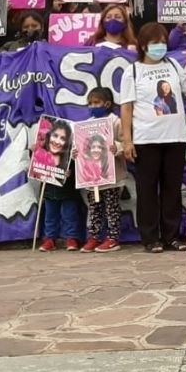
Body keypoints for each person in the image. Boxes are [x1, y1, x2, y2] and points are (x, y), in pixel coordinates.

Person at [120, 23, 186, 253]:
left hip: (175, 137)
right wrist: (127, 141)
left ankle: (171, 236)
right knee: (147, 189)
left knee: (172, 189)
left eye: (163, 42)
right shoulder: (133, 71)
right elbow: (127, 108)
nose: (160, 47)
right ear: (142, 45)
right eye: (154, 43)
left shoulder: (173, 65)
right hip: (146, 139)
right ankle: (150, 238)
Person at [76, 87, 126, 252]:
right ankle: (94, 237)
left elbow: (126, 144)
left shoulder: (116, 122)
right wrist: (76, 153)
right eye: (90, 103)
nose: (92, 106)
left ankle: (113, 238)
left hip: (112, 178)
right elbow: (82, 147)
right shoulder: (87, 126)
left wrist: (116, 148)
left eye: (96, 102)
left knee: (112, 208)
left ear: (107, 104)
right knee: (94, 209)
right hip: (92, 179)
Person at [36, 119, 85, 252]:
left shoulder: (71, 154)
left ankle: (72, 238)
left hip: (68, 189)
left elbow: (81, 168)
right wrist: (33, 153)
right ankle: (50, 239)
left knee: (70, 215)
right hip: (49, 188)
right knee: (50, 216)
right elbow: (35, 169)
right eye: (55, 136)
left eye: (62, 138)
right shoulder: (42, 153)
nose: (57, 141)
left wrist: (72, 169)